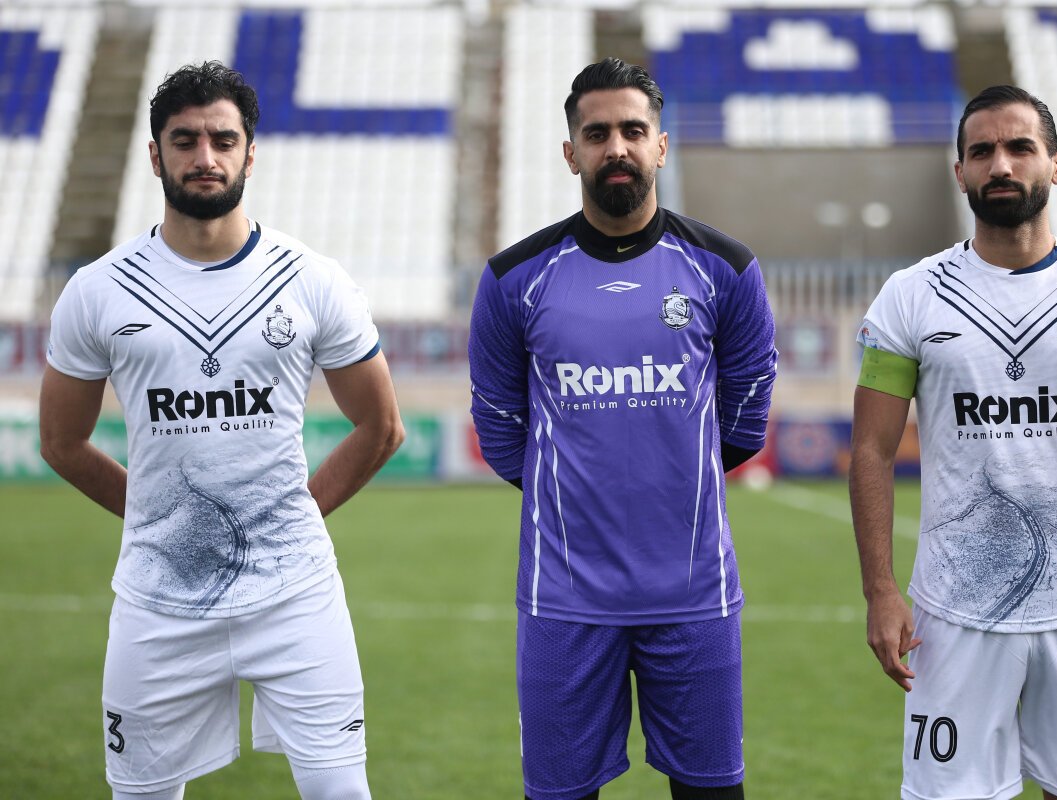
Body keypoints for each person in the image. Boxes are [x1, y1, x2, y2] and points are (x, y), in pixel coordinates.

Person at [39, 61, 404, 800]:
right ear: (155, 155)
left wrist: (297, 514)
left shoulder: (312, 280)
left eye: (222, 140)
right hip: (157, 600)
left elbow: (382, 426)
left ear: (250, 153)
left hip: (297, 594)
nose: (204, 157)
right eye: (185, 141)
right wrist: (166, 521)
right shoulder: (98, 290)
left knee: (342, 792)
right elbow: (62, 442)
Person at [849, 84, 1057, 800]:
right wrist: (880, 591)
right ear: (959, 172)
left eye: (1020, 147)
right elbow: (871, 451)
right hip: (951, 616)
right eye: (982, 152)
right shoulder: (909, 296)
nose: (1000, 164)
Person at [468, 57, 776, 800]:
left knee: (712, 793)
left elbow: (746, 417)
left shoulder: (725, 269)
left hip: (695, 595)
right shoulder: (514, 278)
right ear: (570, 151)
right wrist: (566, 495)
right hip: (564, 601)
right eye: (597, 133)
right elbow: (499, 425)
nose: (617, 148)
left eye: (633, 131)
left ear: (660, 146)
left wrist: (678, 478)